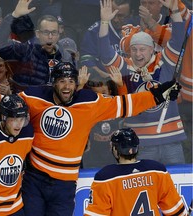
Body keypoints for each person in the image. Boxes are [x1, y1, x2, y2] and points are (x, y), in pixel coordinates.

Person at [0, 61, 182, 216]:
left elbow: (126, 104)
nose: (67, 86)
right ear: (54, 83)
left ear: (76, 84)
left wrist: (159, 95)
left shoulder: (89, 102)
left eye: (71, 81)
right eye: (62, 81)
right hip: (34, 178)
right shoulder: (35, 96)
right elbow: (2, 103)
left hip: (65, 185)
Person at [98, 0, 187, 165]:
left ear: (152, 49)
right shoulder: (126, 67)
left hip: (171, 141)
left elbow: (179, 37)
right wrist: (104, 22)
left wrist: (175, 10)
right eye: (134, 49)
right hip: (142, 144)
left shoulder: (165, 61)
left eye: (142, 49)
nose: (138, 54)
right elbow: (105, 52)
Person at [84, 127, 187, 216]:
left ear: (115, 149)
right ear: (137, 147)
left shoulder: (105, 177)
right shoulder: (157, 170)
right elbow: (177, 212)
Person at [0, 0, 64, 87]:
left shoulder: (65, 57)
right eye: (46, 32)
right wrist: (14, 15)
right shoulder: (25, 52)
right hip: (27, 98)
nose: (50, 36)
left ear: (59, 35)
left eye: (54, 32)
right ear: (37, 34)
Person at [80, 0, 134, 81]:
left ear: (131, 14)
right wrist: (106, 77)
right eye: (113, 15)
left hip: (132, 80)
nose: (115, 20)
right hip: (104, 83)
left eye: (121, 16)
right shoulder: (95, 31)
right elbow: (86, 61)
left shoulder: (137, 28)